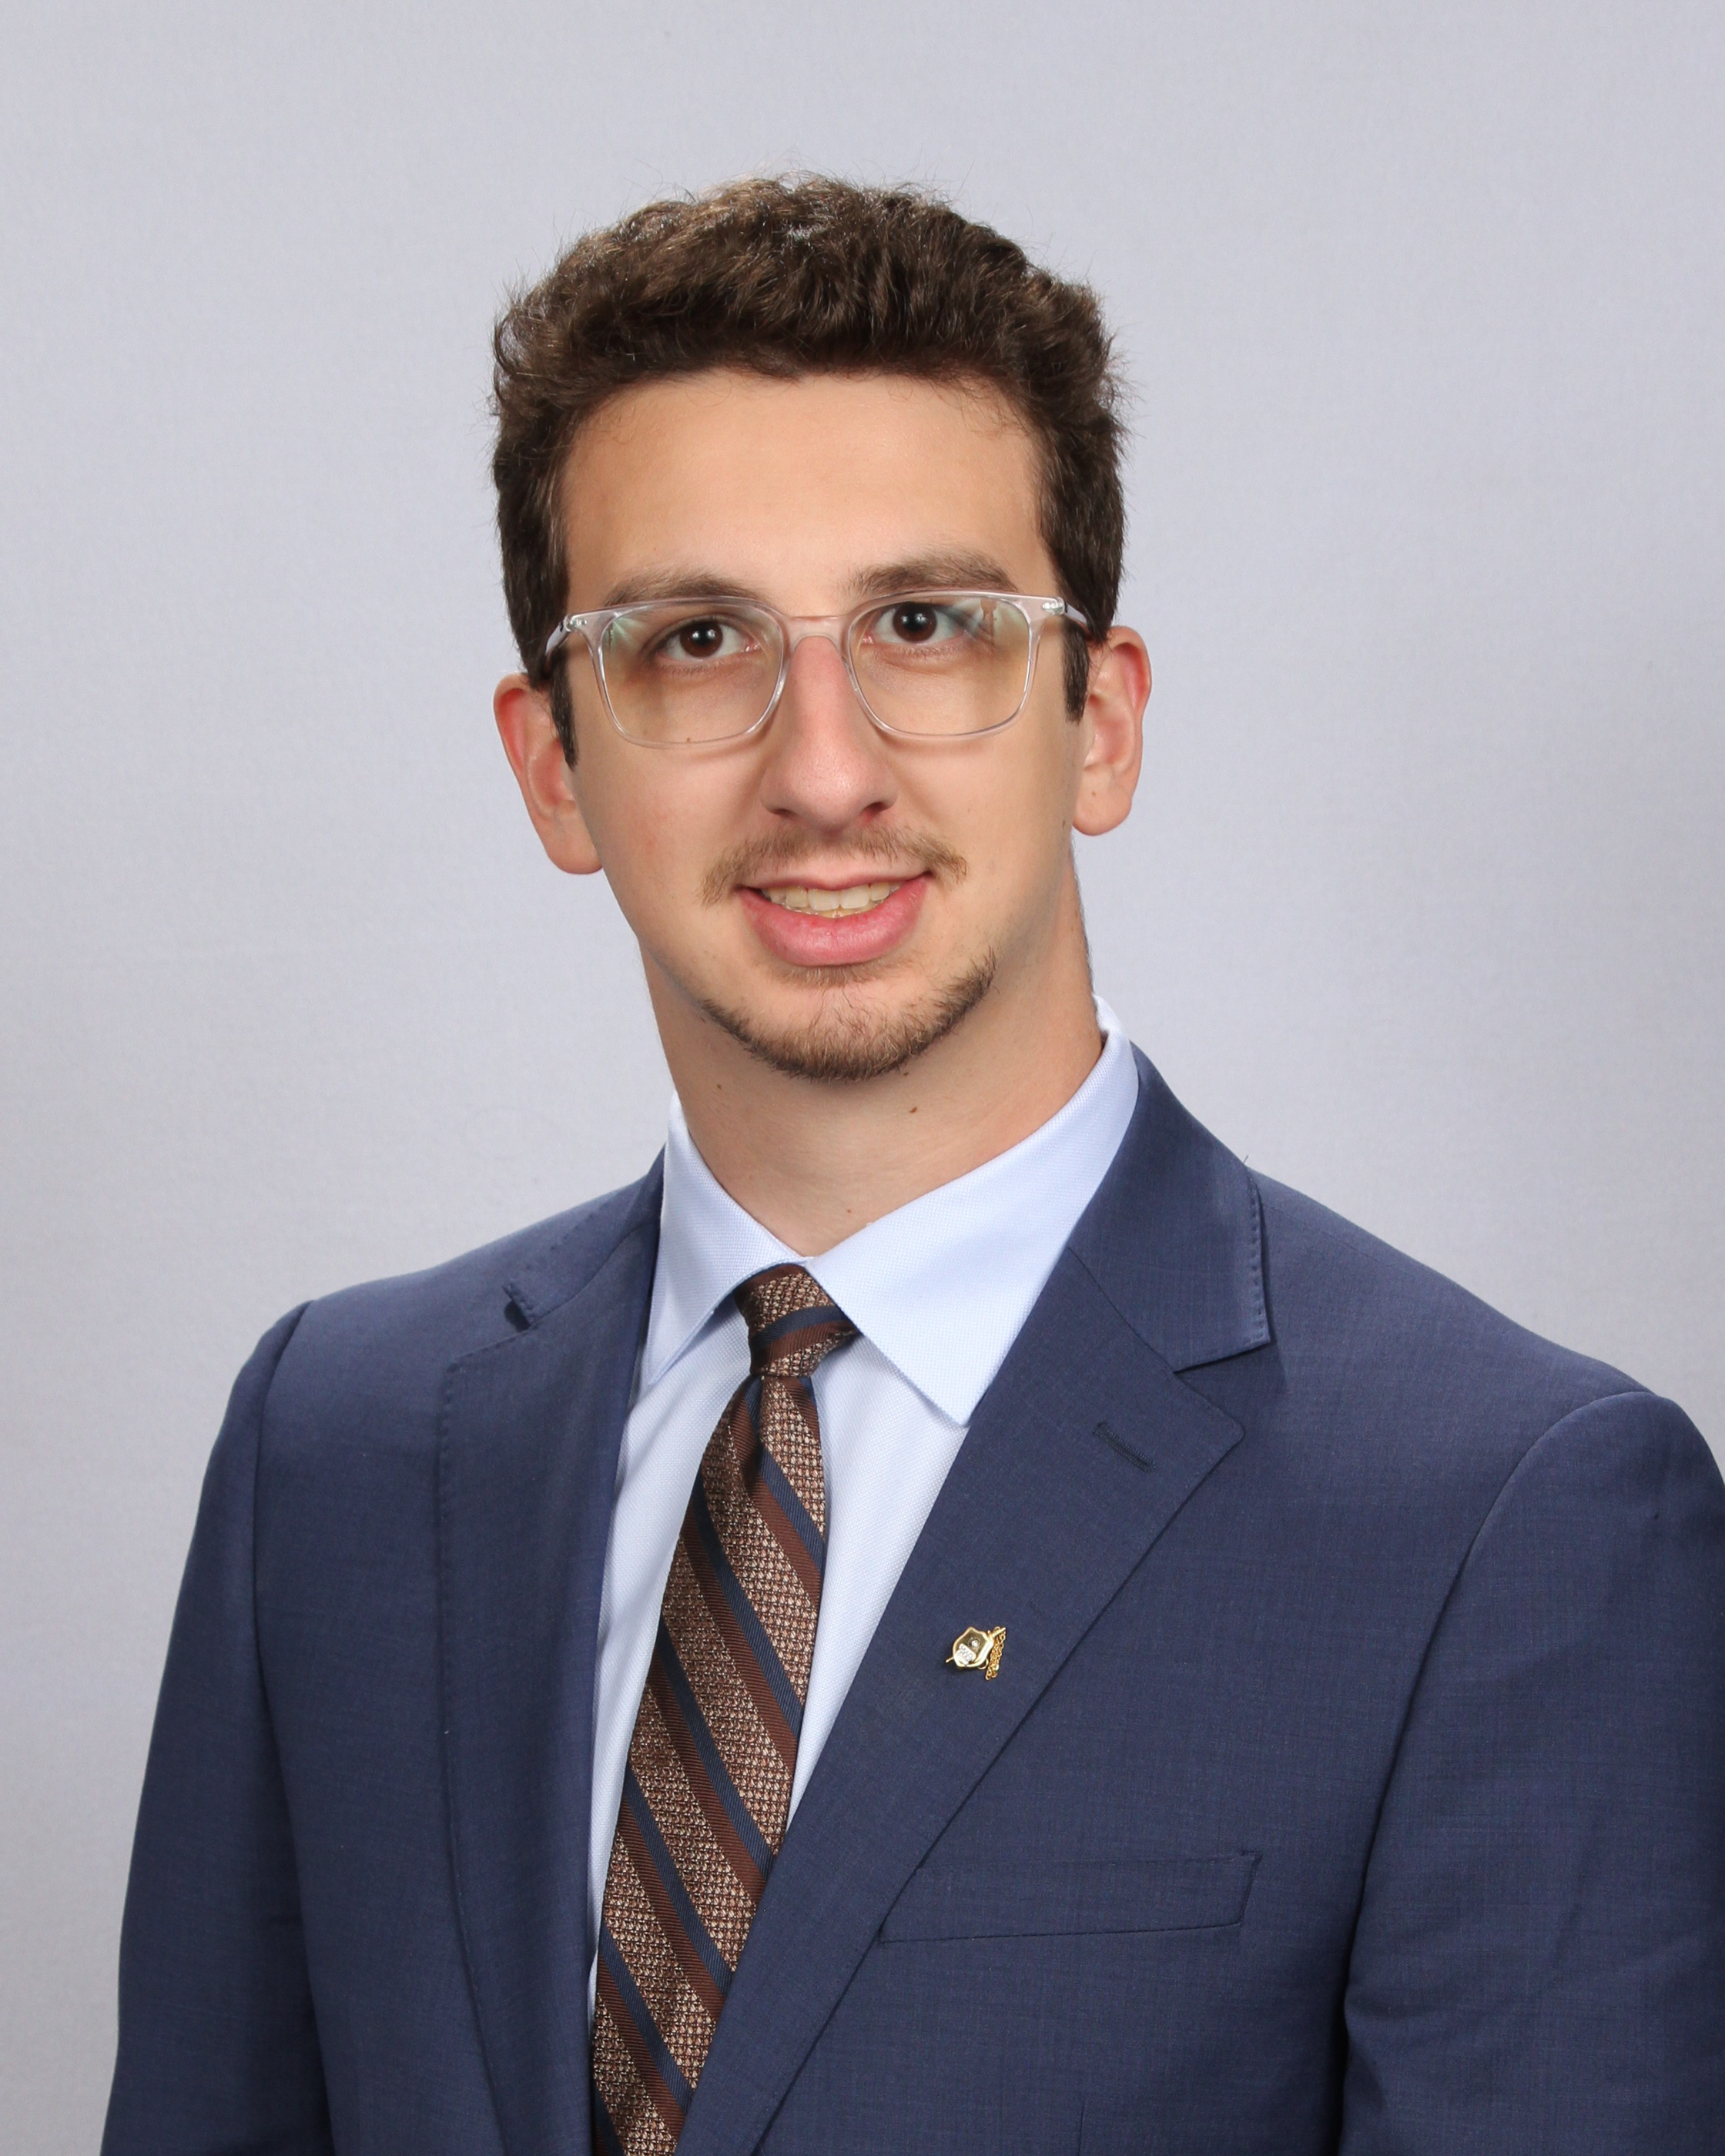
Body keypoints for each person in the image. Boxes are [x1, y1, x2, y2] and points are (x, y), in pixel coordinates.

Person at [102, 178, 1725, 2156]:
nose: (823, 768)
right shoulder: (338, 1446)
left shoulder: (1501, 1518)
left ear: (1098, 720)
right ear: (554, 764)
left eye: (928, 626)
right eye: (696, 638)